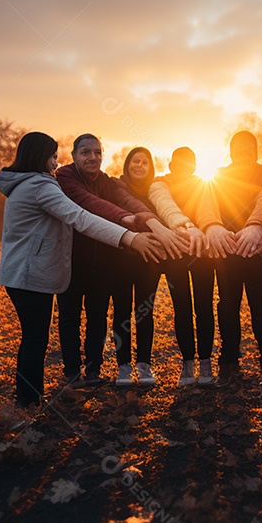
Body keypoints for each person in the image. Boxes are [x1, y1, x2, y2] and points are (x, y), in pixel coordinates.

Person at [0, 132, 163, 407]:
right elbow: (81, 217)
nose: (56, 159)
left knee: (32, 339)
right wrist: (129, 236)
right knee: (36, 340)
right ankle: (29, 402)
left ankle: (29, 398)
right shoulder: (41, 185)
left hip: (19, 274)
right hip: (29, 276)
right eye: (52, 154)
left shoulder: (23, 184)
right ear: (40, 155)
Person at [56, 134, 178, 387]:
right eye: (86, 152)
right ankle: (71, 373)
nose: (92, 158)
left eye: (97, 153)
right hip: (71, 261)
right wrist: (127, 219)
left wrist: (147, 218)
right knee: (70, 317)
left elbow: (127, 200)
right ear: (74, 156)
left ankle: (93, 371)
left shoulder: (107, 182)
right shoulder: (65, 177)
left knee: (97, 316)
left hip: (103, 263)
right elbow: (90, 203)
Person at [149, 147, 233, 386]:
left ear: (195, 166)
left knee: (204, 308)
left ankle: (205, 362)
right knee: (182, 308)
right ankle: (187, 364)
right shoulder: (161, 183)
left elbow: (208, 209)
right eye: (181, 163)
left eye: (191, 163)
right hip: (175, 254)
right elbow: (163, 205)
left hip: (202, 254)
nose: (186, 167)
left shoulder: (203, 185)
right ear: (172, 164)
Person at [115, 147, 194, 387]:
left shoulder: (157, 188)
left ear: (151, 167)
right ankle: (123, 367)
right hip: (126, 256)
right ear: (127, 164)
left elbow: (169, 209)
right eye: (135, 161)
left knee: (160, 308)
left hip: (165, 254)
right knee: (123, 311)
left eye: (145, 162)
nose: (139, 166)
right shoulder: (117, 187)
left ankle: (157, 364)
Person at [210, 131, 262, 385]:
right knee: (227, 308)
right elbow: (207, 202)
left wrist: (255, 225)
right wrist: (212, 225)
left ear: (256, 151)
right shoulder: (219, 176)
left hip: (257, 254)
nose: (243, 152)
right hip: (227, 254)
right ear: (231, 151)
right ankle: (228, 361)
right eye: (238, 148)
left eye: (248, 148)